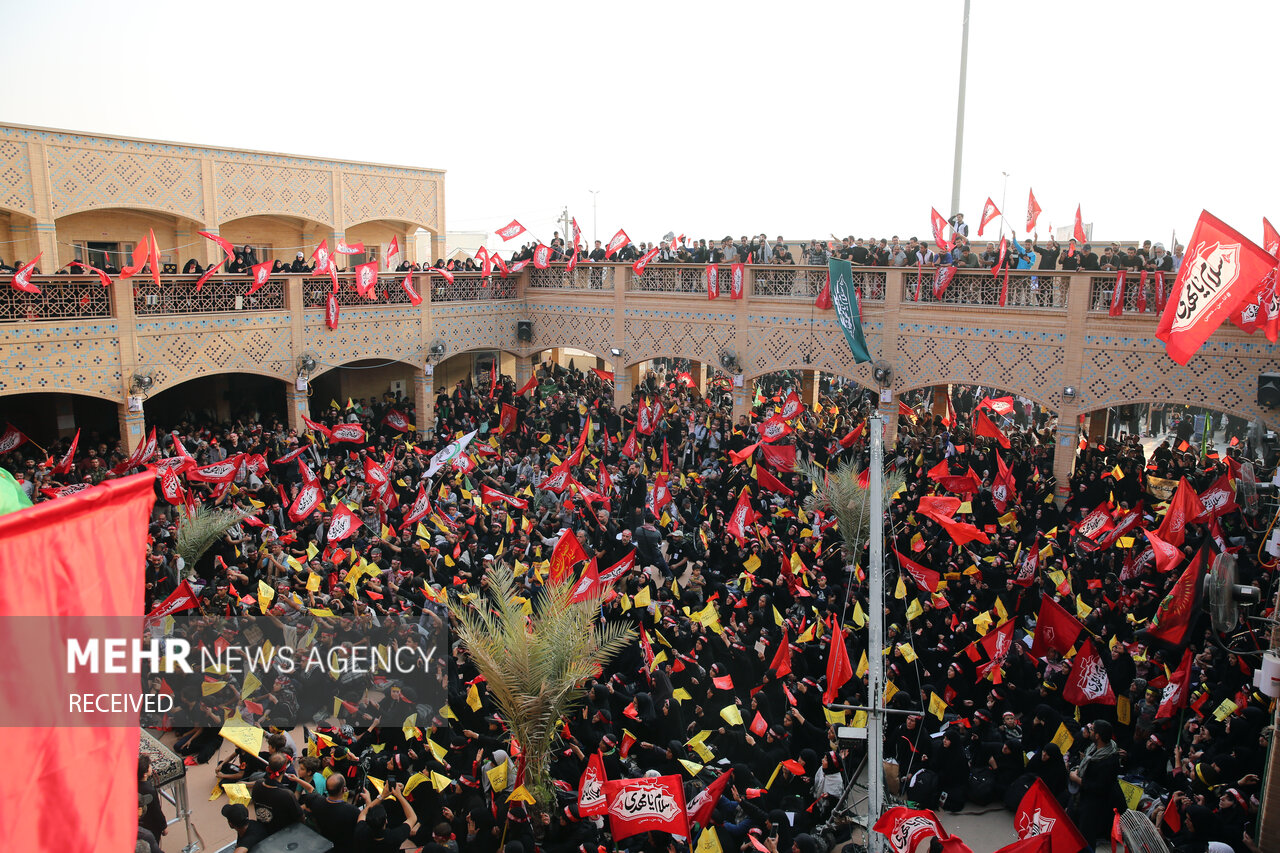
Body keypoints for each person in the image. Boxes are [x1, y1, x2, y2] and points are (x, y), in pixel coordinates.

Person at [1069, 720, 1123, 849]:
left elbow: (1100, 787)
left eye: (1092, 729)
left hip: (1093, 805)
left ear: (1098, 735)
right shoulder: (1092, 749)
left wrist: (1076, 779)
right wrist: (1077, 770)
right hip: (1079, 798)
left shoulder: (1109, 760)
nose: (1089, 731)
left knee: (1085, 838)